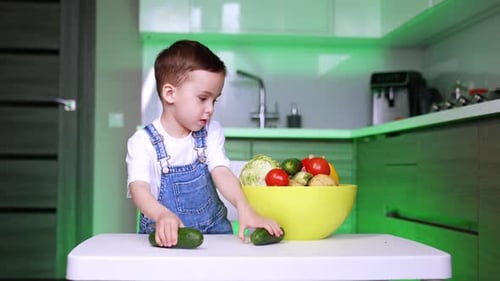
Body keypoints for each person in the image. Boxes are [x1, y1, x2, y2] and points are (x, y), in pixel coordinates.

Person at [126, 40, 282, 247]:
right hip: (168, 238)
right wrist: (162, 215)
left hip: (215, 233)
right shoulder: (142, 142)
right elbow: (139, 190)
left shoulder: (210, 132)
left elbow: (221, 172)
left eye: (214, 100)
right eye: (202, 98)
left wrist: (244, 206)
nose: (210, 109)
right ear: (170, 94)